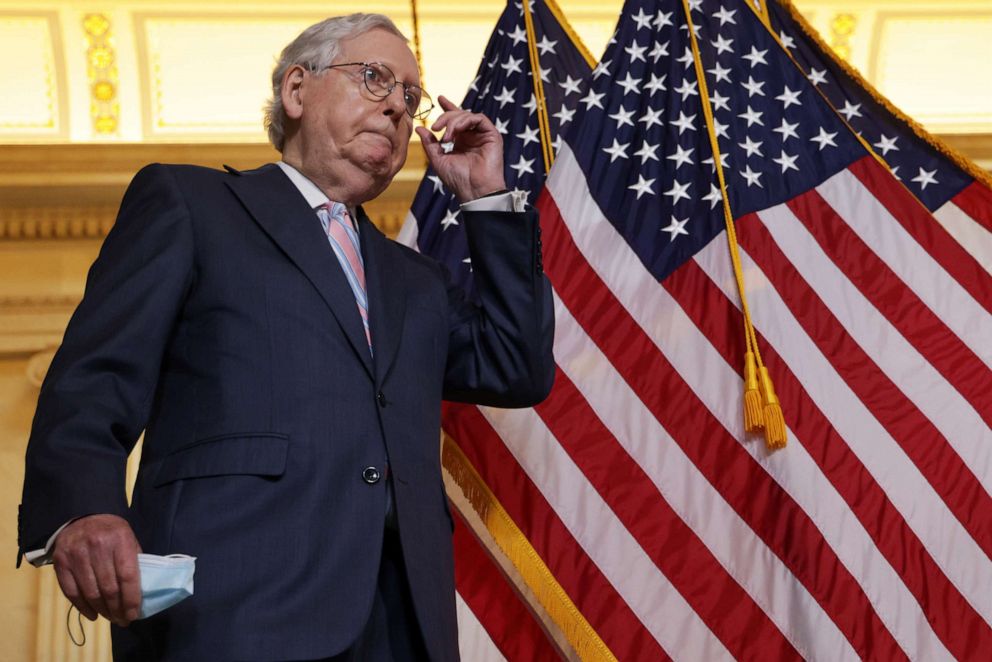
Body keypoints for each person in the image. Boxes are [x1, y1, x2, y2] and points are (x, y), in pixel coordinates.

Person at [17, 13, 554, 661]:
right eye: (374, 78)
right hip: (238, 609)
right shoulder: (193, 205)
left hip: (402, 625)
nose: (397, 109)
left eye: (411, 98)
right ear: (298, 90)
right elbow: (94, 379)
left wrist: (486, 199)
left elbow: (517, 365)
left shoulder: (415, 280)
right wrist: (82, 511)